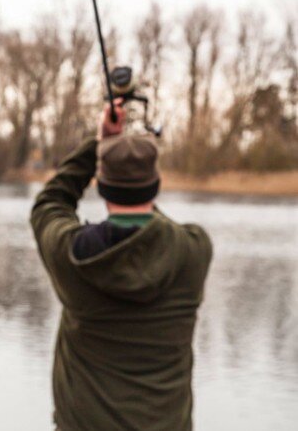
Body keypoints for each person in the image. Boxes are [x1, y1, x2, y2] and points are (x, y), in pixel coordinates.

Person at [31, 99, 213, 430]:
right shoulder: (193, 252)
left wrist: (98, 145)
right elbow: (160, 229)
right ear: (155, 186)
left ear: (101, 186)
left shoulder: (72, 257)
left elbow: (50, 203)